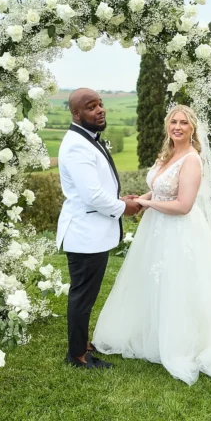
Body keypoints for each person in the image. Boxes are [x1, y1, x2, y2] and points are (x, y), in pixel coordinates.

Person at [93, 105, 211, 385]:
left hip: (179, 232)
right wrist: (140, 198)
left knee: (179, 285)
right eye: (173, 121)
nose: (178, 127)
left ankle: (183, 340)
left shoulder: (192, 160)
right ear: (167, 125)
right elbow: (161, 187)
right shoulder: (169, 154)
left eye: (184, 123)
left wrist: (146, 204)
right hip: (156, 230)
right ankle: (152, 332)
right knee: (152, 282)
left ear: (192, 128)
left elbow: (183, 206)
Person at [56, 88, 141, 370]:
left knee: (86, 294)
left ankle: (82, 343)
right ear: (76, 114)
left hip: (92, 233)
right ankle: (78, 356)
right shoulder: (77, 145)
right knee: (82, 296)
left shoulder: (87, 139)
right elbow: (92, 195)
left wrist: (119, 199)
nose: (100, 110)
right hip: (85, 235)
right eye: (91, 107)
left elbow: (96, 189)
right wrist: (123, 208)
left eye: (101, 104)